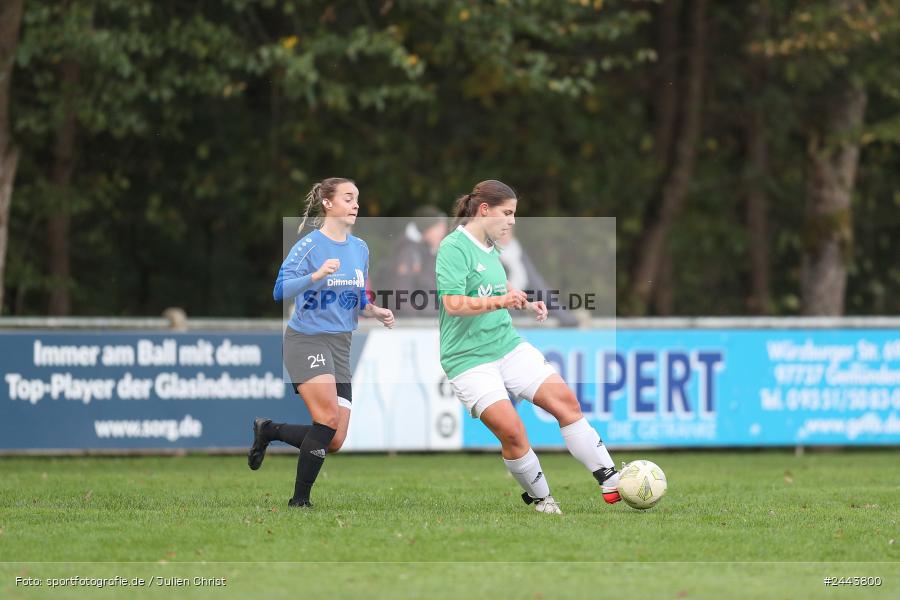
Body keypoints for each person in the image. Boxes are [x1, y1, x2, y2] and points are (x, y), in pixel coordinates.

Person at [435, 179, 621, 514]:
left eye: (515, 213)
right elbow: (452, 303)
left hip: (507, 345)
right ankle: (542, 500)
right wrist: (499, 300)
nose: (512, 220)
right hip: (468, 359)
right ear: (484, 210)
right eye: (507, 213)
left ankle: (611, 480)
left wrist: (522, 301)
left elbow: (493, 282)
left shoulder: (492, 245)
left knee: (566, 403)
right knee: (513, 432)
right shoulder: (453, 247)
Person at [248, 177, 394, 508]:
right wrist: (315, 276)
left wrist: (374, 309)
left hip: (341, 345)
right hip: (306, 340)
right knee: (327, 419)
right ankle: (299, 502)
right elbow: (278, 291)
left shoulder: (360, 248)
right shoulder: (309, 246)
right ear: (328, 204)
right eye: (348, 198)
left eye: (357, 198)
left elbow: (356, 298)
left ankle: (269, 430)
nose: (356, 204)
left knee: (336, 438)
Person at [385, 206, 448, 316]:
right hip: (414, 326)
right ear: (427, 229)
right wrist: (425, 319)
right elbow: (402, 298)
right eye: (439, 227)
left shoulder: (428, 250)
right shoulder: (408, 252)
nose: (442, 233)